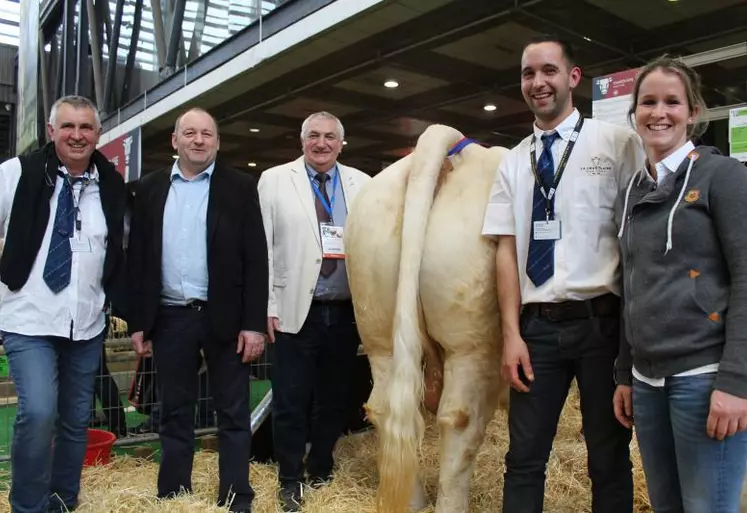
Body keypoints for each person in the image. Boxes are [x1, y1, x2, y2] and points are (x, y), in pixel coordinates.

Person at [481, 35, 645, 513]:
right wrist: (510, 334)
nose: (538, 82)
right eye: (529, 74)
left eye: (549, 70)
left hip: (602, 325)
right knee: (524, 458)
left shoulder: (617, 144)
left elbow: (636, 240)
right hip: (537, 331)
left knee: (608, 458)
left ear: (573, 77)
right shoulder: (512, 162)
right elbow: (506, 252)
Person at [613, 55, 747, 513]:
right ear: (634, 113)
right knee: (666, 505)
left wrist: (737, 381)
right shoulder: (633, 190)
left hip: (704, 379)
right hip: (647, 382)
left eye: (673, 102)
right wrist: (625, 371)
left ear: (693, 112)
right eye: (648, 102)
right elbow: (632, 283)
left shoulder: (723, 177)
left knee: (707, 507)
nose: (659, 112)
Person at [127, 107, 268, 513]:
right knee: (173, 412)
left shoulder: (240, 187)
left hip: (225, 317)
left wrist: (254, 325)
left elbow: (255, 260)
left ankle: (237, 496)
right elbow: (137, 259)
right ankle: (174, 496)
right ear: (175, 141)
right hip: (170, 317)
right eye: (189, 132)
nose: (198, 140)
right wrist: (139, 322)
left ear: (217, 142)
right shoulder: (150, 188)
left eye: (207, 133)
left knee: (234, 413)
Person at [0, 95, 127, 513]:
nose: (77, 135)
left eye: (86, 127)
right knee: (38, 414)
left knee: (75, 422)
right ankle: (28, 507)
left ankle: (62, 502)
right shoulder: (16, 174)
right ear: (52, 131)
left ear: (98, 135)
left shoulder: (109, 185)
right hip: (28, 319)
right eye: (68, 127)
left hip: (85, 324)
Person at [257, 111, 371, 512]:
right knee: (290, 400)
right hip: (293, 311)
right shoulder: (274, 180)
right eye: (314, 136)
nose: (321, 144)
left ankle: (321, 466)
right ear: (301, 140)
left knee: (335, 399)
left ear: (342, 143)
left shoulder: (364, 184)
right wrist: (266, 306)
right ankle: (289, 478)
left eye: (330, 137)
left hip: (345, 313)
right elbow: (263, 251)